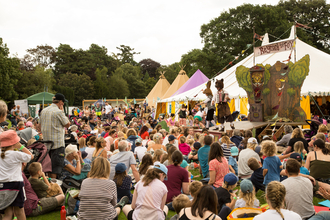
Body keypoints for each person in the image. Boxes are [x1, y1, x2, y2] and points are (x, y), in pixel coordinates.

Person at [0, 130, 33, 219]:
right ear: (14, 142)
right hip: (16, 184)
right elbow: (30, 156)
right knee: (19, 212)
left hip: (2, 185)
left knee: (7, 214)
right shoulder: (16, 154)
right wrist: (21, 147)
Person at [40, 93, 70, 178]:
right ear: (60, 102)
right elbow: (67, 124)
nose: (63, 104)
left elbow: (39, 126)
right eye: (63, 102)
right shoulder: (58, 112)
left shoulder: (44, 110)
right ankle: (54, 188)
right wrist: (63, 112)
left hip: (46, 144)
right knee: (55, 168)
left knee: (47, 167)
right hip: (57, 144)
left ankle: (49, 185)